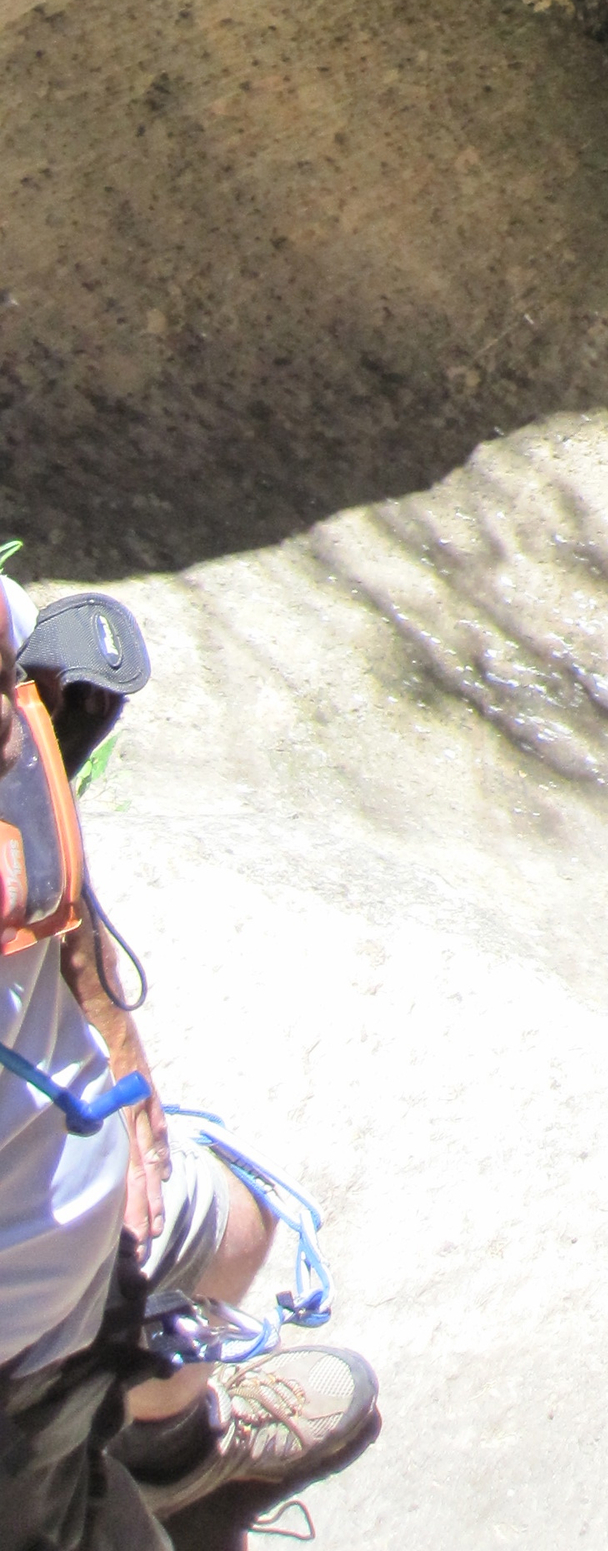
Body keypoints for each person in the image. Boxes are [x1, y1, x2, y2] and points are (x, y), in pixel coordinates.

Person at [0, 577, 377, 1547]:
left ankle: (175, 1451)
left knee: (233, 1232)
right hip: (19, 1375)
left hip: (73, 1228)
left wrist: (106, 1030)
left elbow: (31, 792)